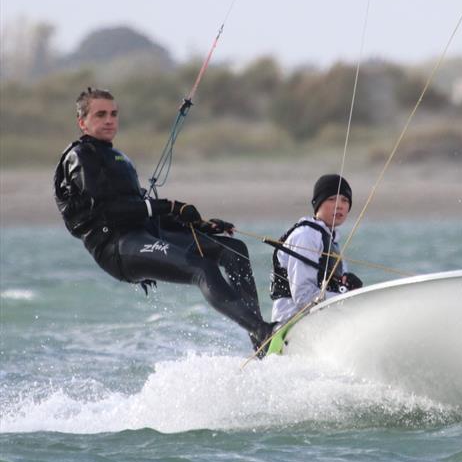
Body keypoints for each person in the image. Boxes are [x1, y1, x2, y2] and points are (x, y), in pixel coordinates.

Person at [54, 87, 273, 354]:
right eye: (100, 115)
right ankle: (261, 330)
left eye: (113, 114)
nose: (109, 120)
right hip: (117, 246)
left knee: (234, 250)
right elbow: (109, 212)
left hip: (143, 234)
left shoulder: (117, 157)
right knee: (202, 269)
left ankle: (261, 340)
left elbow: (140, 210)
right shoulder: (80, 157)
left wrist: (198, 224)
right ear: (82, 122)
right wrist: (167, 206)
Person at [270, 174, 363, 325]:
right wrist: (345, 297)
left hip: (321, 320)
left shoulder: (330, 239)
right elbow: (303, 297)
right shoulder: (306, 236)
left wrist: (349, 287)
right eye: (332, 199)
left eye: (345, 200)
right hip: (291, 325)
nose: (339, 205)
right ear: (318, 203)